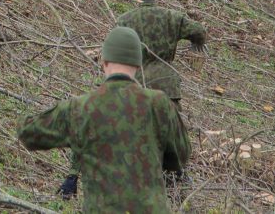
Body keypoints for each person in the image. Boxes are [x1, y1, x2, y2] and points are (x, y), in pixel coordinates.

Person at [18, 27, 191, 213]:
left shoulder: (81, 107)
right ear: (137, 64)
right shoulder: (160, 104)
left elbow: (28, 133)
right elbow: (181, 156)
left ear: (104, 61)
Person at [117, 0, 207, 105]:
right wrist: (196, 45)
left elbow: (117, 55)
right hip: (167, 85)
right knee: (168, 124)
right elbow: (200, 31)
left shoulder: (124, 20)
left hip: (137, 84)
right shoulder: (172, 17)